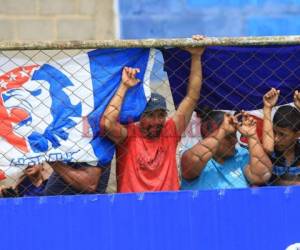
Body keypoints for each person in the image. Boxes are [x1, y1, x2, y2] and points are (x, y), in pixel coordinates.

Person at [100, 35, 206, 193]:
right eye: (150, 115)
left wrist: (196, 56)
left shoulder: (170, 131)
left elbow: (192, 97)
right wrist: (124, 86)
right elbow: (107, 124)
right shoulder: (128, 135)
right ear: (139, 116)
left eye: (161, 114)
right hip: (133, 208)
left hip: (168, 205)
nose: (157, 121)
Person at [180, 109, 272, 190]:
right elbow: (191, 164)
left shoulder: (241, 155)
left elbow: (263, 176)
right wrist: (222, 130)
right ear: (209, 135)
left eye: (235, 135)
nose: (235, 141)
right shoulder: (196, 155)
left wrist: (252, 135)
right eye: (228, 136)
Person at [262, 88, 300, 185]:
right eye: (274, 132)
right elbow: (268, 148)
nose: (276, 139)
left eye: (282, 134)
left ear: (297, 134)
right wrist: (267, 108)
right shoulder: (270, 153)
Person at [43, 161, 110, 196]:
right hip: (61, 208)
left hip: (81, 209)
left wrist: (52, 160)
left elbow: (89, 184)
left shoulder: (90, 143)